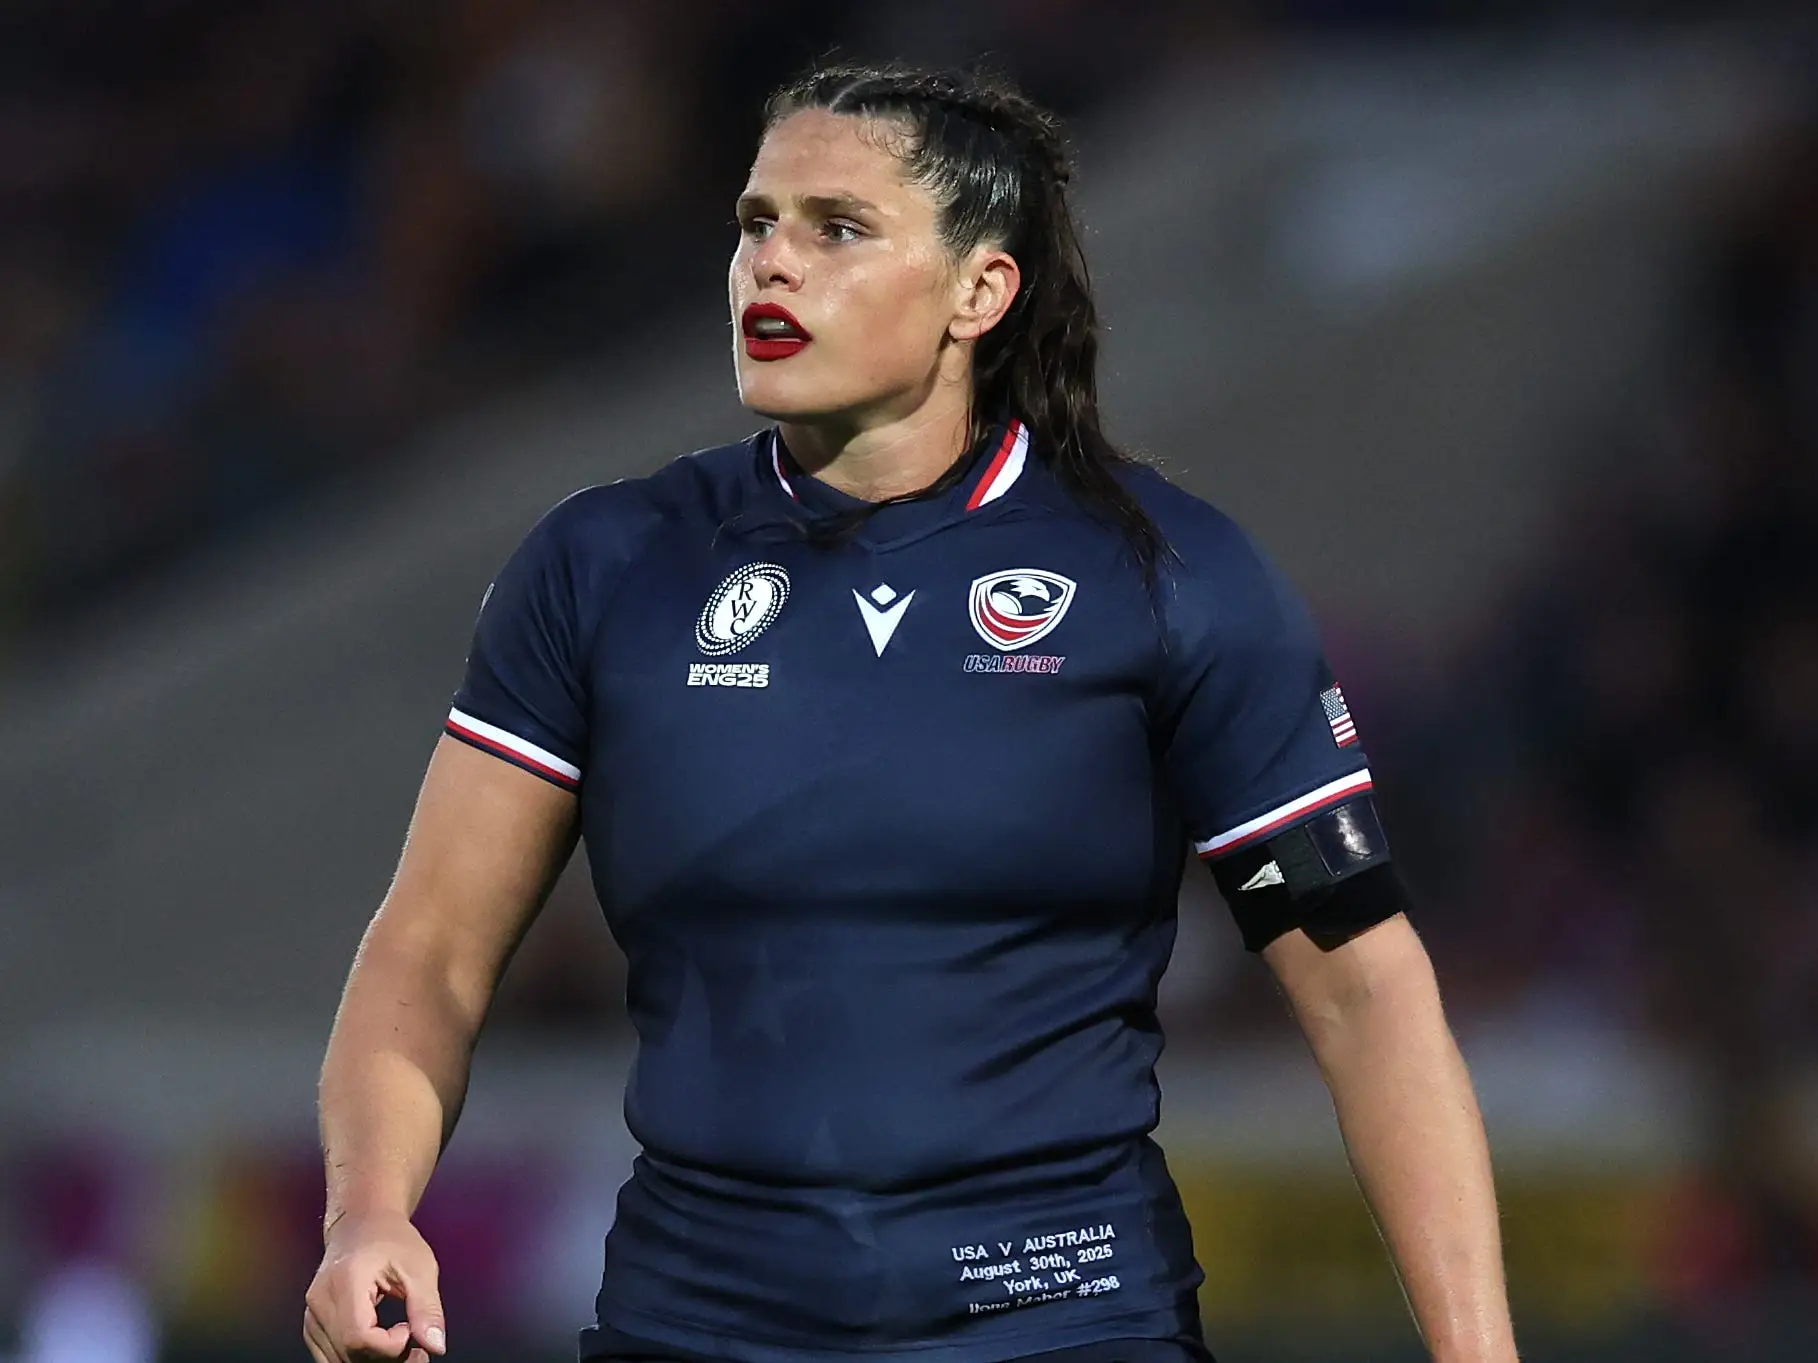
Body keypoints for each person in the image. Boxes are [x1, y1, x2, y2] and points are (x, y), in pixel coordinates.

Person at [304, 62, 1518, 1363]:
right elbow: (428, 949)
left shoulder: (1165, 576)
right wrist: (366, 1210)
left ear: (978, 290)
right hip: (700, 1327)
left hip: (1062, 1323)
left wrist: (1475, 1352)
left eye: (837, 228)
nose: (771, 265)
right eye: (755, 223)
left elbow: (1363, 991)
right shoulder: (605, 567)